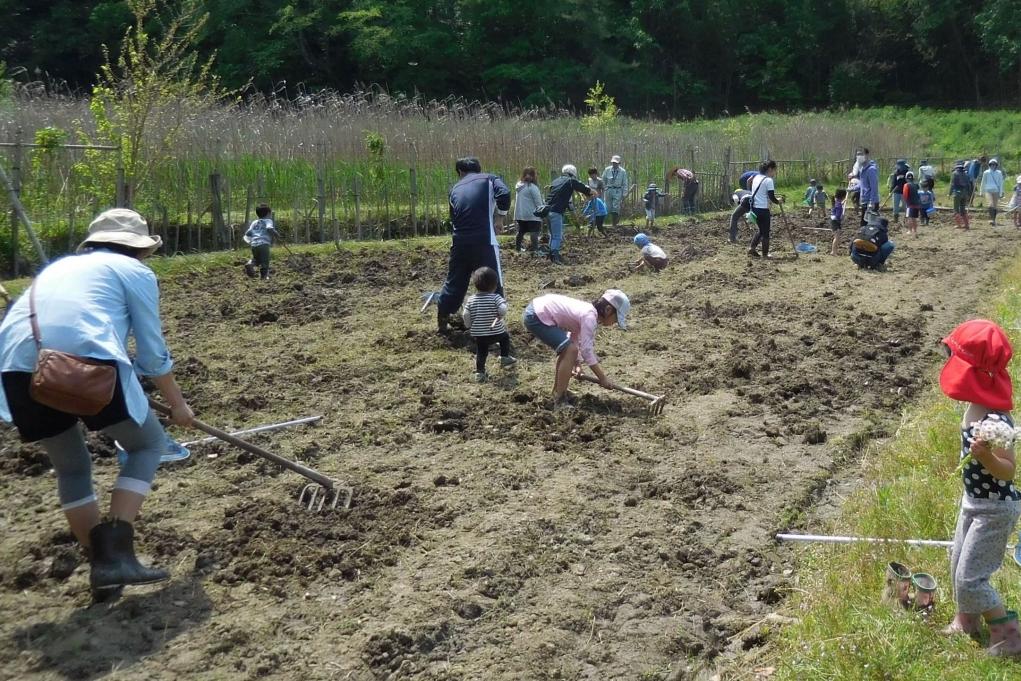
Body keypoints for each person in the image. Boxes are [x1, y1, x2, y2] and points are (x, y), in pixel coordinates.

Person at [0, 208, 194, 602]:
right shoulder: (135, 272)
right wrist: (177, 405)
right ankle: (115, 554)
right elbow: (153, 354)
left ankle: (101, 567)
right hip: (86, 360)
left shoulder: (58, 268)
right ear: (139, 248)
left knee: (71, 466)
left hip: (18, 367)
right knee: (147, 445)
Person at [939, 319, 1021, 656]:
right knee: (957, 562)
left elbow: (1008, 472)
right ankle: (966, 621)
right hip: (973, 502)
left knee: (971, 577)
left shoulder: (997, 420)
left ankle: (1008, 634)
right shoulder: (975, 407)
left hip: (995, 510)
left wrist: (986, 457)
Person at [437, 157, 511, 334]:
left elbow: (454, 217)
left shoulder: (454, 188)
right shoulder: (489, 179)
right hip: (484, 240)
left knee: (455, 281)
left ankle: (443, 317)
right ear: (479, 169)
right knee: (491, 280)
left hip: (459, 241)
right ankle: (493, 328)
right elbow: (505, 193)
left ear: (460, 173)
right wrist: (499, 218)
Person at [522, 289, 630, 411]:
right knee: (570, 350)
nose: (614, 323)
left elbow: (574, 337)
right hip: (536, 316)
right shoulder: (589, 317)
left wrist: (577, 363)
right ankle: (560, 400)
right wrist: (602, 378)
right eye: (616, 319)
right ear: (608, 310)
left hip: (536, 311)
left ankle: (558, 392)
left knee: (568, 350)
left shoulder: (587, 312)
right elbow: (586, 351)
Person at [462, 267, 515, 382]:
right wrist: (501, 313)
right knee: (505, 337)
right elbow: (502, 309)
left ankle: (480, 373)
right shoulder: (496, 297)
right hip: (496, 332)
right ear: (495, 285)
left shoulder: (471, 299)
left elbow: (466, 314)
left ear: (475, 285)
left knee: (481, 352)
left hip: (479, 334)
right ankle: (504, 357)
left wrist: (468, 326)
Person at [545, 165, 594, 265]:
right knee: (557, 236)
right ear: (573, 173)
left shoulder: (556, 181)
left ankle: (551, 254)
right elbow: (581, 187)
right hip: (556, 211)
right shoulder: (570, 181)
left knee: (552, 235)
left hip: (547, 210)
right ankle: (555, 257)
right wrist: (591, 192)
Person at [748, 160, 784, 259]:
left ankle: (752, 248)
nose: (774, 173)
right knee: (766, 233)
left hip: (755, 208)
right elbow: (772, 197)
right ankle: (765, 254)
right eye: (774, 170)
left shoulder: (756, 178)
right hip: (763, 209)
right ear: (770, 169)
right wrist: (779, 201)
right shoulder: (768, 180)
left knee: (761, 230)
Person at [243, 203, 280, 280]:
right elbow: (269, 228)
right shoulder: (268, 220)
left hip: (254, 244)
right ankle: (264, 276)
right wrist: (276, 234)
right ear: (268, 213)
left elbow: (247, 234)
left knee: (257, 259)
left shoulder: (254, 222)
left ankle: (250, 263)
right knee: (265, 261)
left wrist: (249, 241)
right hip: (264, 244)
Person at [513, 167, 544, 253]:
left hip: (520, 214)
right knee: (534, 232)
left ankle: (518, 249)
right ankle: (535, 250)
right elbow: (538, 202)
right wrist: (542, 213)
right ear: (533, 176)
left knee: (521, 231)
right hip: (532, 214)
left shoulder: (519, 186)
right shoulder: (533, 187)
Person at [729, 169, 760, 243]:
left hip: (746, 201)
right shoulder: (747, 190)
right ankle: (760, 235)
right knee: (757, 219)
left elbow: (736, 199)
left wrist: (737, 204)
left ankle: (732, 238)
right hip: (755, 200)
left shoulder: (736, 193)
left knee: (734, 216)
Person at [602, 155, 629, 228]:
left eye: (616, 163)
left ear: (619, 163)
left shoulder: (623, 171)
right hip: (609, 190)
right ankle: (603, 222)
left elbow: (625, 183)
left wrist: (624, 193)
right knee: (607, 206)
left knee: (616, 207)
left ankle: (614, 224)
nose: (614, 164)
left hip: (617, 190)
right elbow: (603, 180)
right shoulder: (607, 170)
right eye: (613, 163)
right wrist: (605, 188)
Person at [950, 160, 974, 231]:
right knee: (963, 210)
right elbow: (969, 185)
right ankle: (966, 224)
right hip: (965, 193)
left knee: (956, 210)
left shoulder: (955, 174)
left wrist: (949, 193)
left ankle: (958, 224)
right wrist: (969, 194)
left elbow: (952, 184)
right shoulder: (966, 174)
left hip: (957, 193)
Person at [858, 148, 880, 225]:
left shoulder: (871, 170)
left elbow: (874, 187)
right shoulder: (862, 169)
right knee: (864, 225)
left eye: (861, 154)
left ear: (867, 155)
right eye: (858, 155)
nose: (859, 157)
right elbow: (862, 185)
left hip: (870, 202)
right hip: (864, 201)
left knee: (869, 226)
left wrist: (871, 202)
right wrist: (851, 189)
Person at [982, 158, 1005, 226]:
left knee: (995, 206)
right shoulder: (986, 172)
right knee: (990, 205)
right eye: (991, 164)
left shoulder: (999, 173)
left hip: (996, 191)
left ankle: (993, 220)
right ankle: (991, 219)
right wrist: (981, 191)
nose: (993, 165)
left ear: (996, 165)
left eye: (994, 164)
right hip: (988, 190)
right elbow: (983, 182)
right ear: (989, 165)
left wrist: (1001, 192)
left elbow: (1001, 183)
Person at [902, 171, 921, 237]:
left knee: (909, 217)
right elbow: (919, 194)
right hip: (917, 204)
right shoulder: (916, 185)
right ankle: (915, 230)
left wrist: (906, 203)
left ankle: (910, 230)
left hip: (910, 204)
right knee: (914, 218)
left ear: (906, 178)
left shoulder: (906, 185)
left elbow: (905, 195)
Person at [830, 188, 847, 256]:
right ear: (843, 196)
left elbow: (838, 206)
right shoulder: (839, 205)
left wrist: (842, 202)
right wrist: (841, 217)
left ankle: (834, 251)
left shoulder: (836, 201)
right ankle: (833, 252)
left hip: (833, 221)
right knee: (836, 237)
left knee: (837, 237)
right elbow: (838, 216)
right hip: (836, 222)